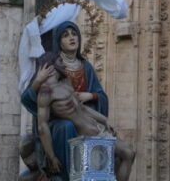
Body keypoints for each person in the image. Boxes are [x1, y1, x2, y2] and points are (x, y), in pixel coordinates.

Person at [21, 22, 108, 180]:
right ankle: (63, 174)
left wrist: (91, 96)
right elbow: (27, 99)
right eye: (65, 35)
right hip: (57, 121)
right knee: (65, 126)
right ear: (59, 41)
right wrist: (37, 81)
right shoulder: (52, 64)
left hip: (83, 117)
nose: (71, 38)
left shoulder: (86, 67)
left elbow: (101, 96)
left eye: (74, 34)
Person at [36, 52, 135, 181]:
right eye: (60, 61)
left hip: (97, 128)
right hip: (86, 137)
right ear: (51, 66)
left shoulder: (65, 82)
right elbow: (42, 127)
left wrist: (104, 120)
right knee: (118, 160)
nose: (64, 64)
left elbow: (82, 108)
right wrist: (51, 156)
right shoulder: (46, 92)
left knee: (129, 153)